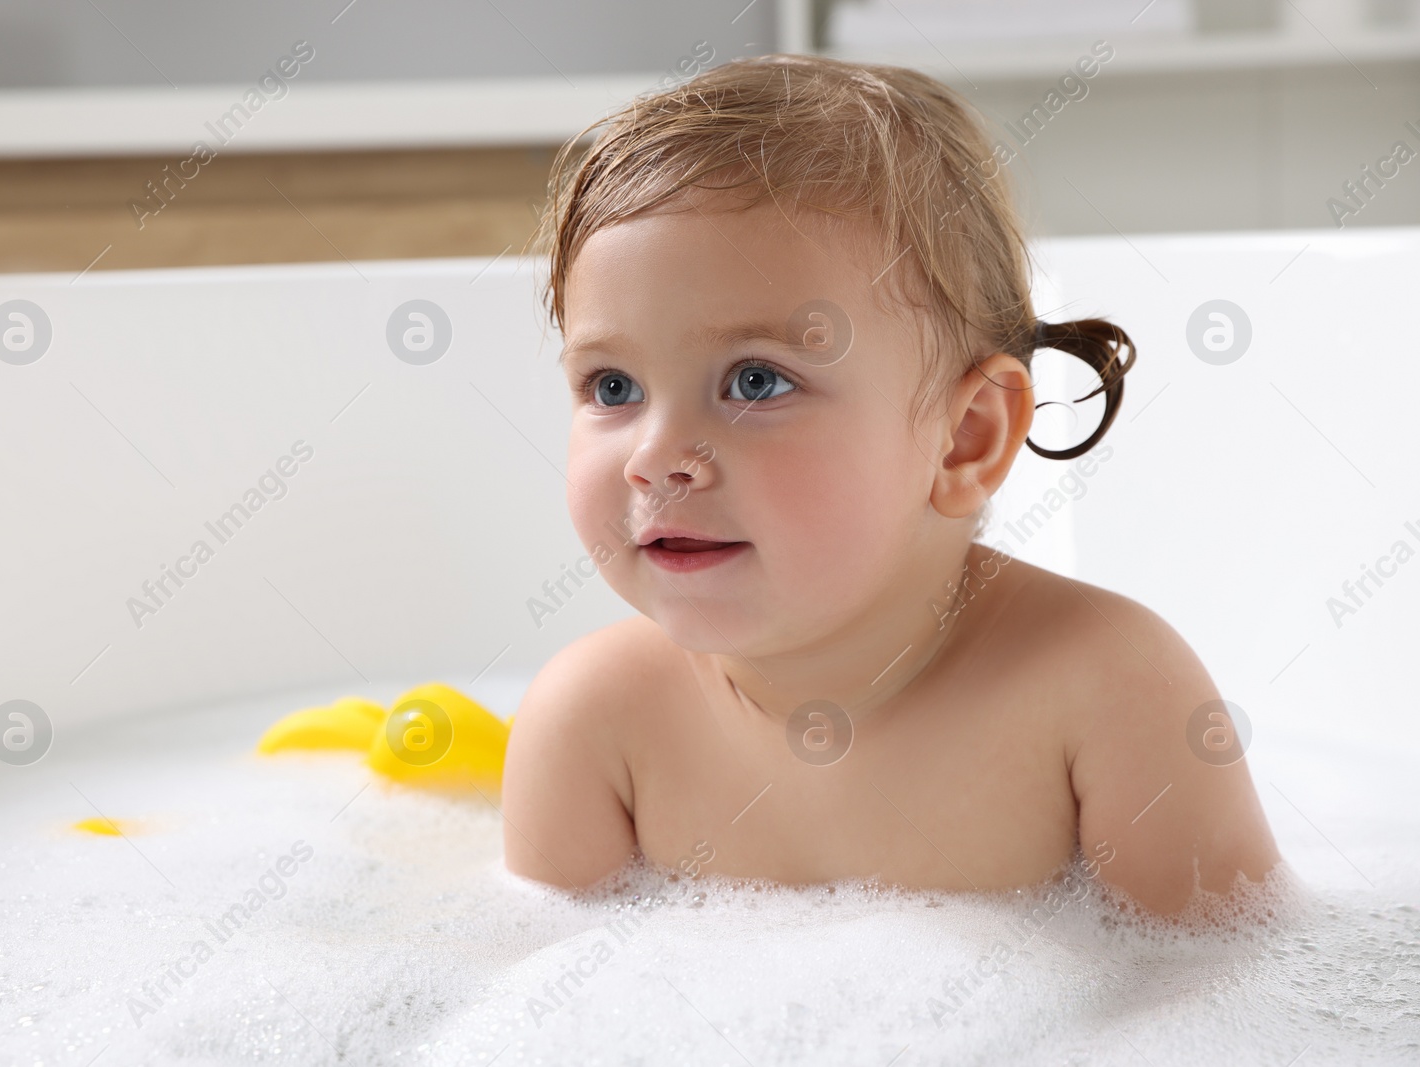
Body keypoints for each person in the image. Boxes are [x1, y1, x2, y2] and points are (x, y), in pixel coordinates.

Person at [501, 54, 1280, 919]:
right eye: (613, 387)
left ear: (966, 438)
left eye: (755, 380)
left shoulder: (1108, 693)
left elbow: (1229, 992)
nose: (656, 457)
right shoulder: (593, 725)